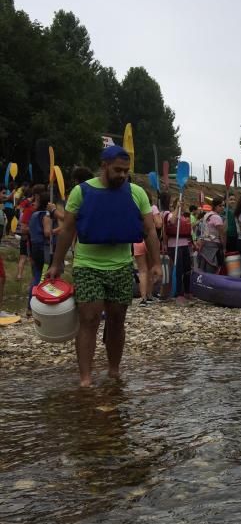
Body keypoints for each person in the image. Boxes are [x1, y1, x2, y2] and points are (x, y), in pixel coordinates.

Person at [46, 146, 161, 387]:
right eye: (117, 170)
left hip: (120, 265)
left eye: (126, 171)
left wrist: (156, 263)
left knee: (117, 319)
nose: (122, 175)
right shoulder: (81, 192)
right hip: (87, 264)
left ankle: (114, 371)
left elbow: (150, 230)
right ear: (104, 165)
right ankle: (85, 378)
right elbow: (67, 230)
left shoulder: (137, 193)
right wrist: (56, 264)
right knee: (89, 318)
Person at [163, 193, 194, 300]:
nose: (183, 205)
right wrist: (177, 208)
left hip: (185, 245)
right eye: (181, 203)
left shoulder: (185, 218)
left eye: (184, 204)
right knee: (179, 269)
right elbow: (172, 222)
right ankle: (178, 293)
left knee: (187, 270)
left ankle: (187, 291)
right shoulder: (172, 215)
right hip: (175, 246)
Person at [133, 191, 162, 305]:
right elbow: (159, 224)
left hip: (137, 240)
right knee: (151, 268)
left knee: (142, 270)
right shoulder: (153, 208)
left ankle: (143, 298)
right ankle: (150, 295)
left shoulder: (135, 206)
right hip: (150, 239)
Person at [197, 197, 226, 273]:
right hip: (213, 246)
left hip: (204, 244)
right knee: (211, 269)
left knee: (203, 268)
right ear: (215, 206)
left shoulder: (207, 215)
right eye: (220, 206)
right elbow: (222, 234)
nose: (223, 207)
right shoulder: (217, 217)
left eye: (223, 205)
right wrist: (224, 247)